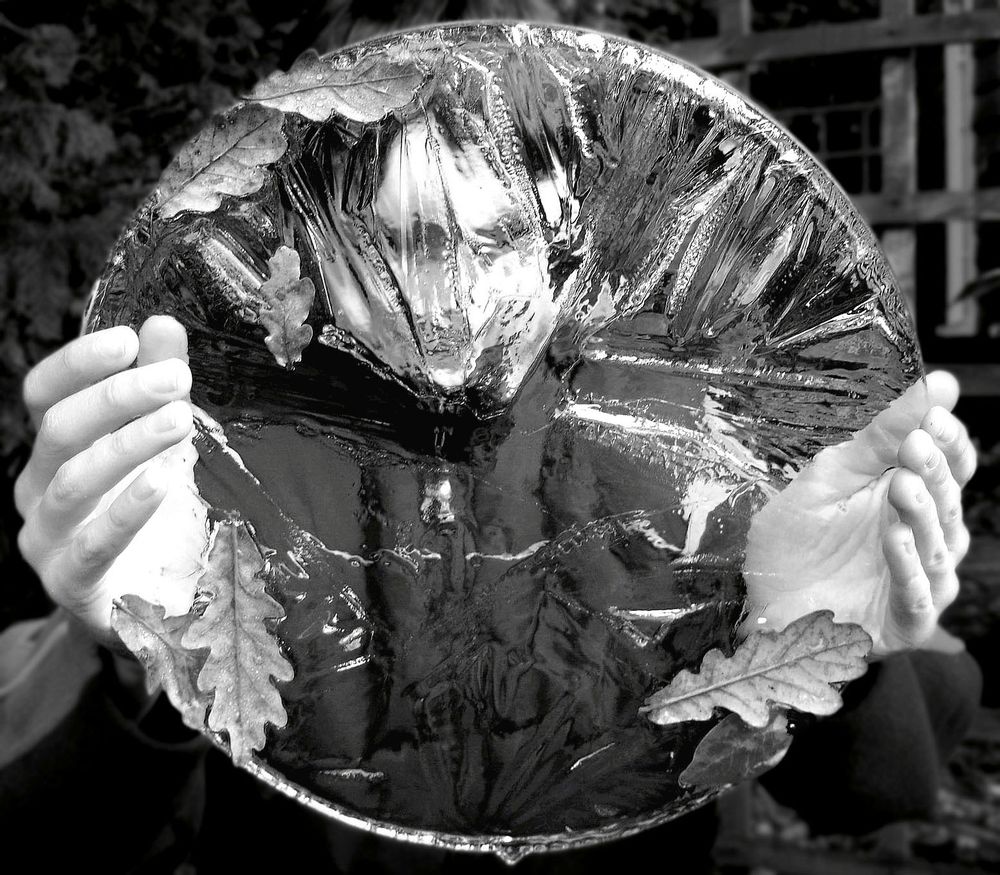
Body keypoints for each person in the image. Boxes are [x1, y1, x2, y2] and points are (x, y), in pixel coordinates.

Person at [0, 314, 983, 872]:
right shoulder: (223, 468)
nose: (453, 298)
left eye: (493, 235)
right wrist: (142, 655)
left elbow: (877, 792)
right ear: (337, 254)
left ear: (558, 223)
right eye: (410, 241)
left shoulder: (683, 463)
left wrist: (828, 644)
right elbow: (59, 829)